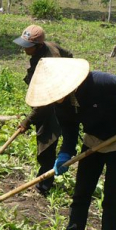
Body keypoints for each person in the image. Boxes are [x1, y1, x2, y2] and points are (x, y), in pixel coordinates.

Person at [25, 58, 116, 230]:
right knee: (81, 192)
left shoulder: (97, 81)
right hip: (93, 142)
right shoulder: (60, 104)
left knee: (112, 198)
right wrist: (65, 153)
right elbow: (70, 130)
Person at [13, 25, 73, 196]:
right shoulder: (47, 47)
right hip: (49, 98)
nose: (23, 48)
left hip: (55, 103)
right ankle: (43, 178)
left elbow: (44, 103)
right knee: (45, 139)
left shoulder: (49, 63)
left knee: (47, 141)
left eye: (27, 45)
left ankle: (44, 184)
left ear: (38, 45)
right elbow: (69, 55)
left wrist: (27, 121)